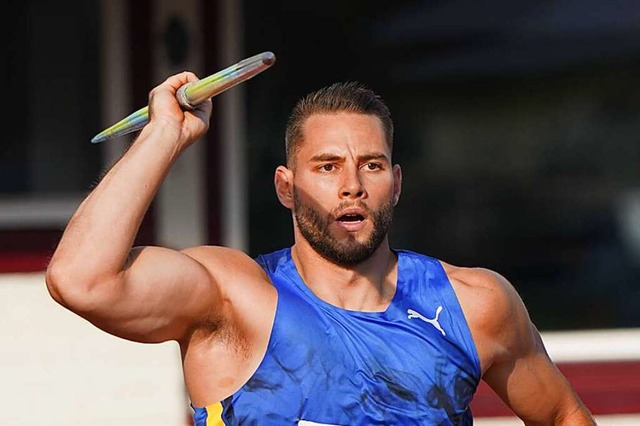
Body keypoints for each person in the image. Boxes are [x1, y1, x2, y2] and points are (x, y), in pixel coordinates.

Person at [46, 71, 595, 425]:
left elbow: (565, 415)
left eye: (371, 166)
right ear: (286, 186)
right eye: (327, 167)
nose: (351, 184)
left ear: (396, 183)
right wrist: (164, 135)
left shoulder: (475, 305)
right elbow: (80, 280)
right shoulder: (234, 300)